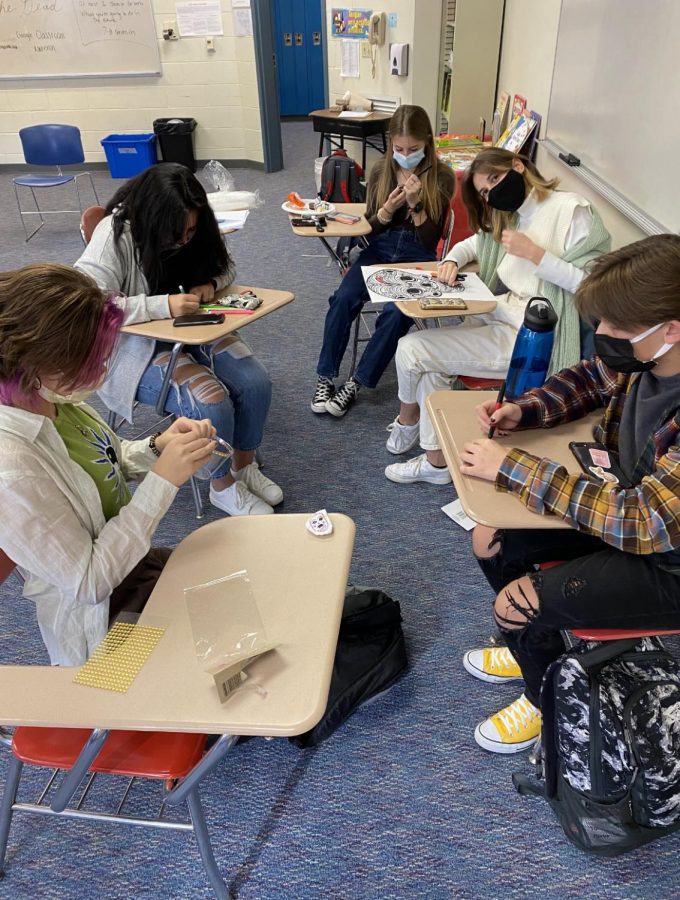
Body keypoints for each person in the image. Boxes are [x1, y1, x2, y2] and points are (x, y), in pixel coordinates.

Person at [457, 235, 680, 753]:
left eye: (615, 327)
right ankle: (533, 643)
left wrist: (515, 468)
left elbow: (643, 521)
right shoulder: (647, 359)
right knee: (489, 537)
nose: (601, 335)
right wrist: (527, 409)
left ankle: (544, 701)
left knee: (517, 604)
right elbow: (589, 378)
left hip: (666, 561)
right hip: (628, 511)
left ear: (670, 329)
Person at [0, 264, 219, 666]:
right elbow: (89, 582)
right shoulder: (11, 470)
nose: (101, 372)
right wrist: (163, 481)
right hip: (102, 624)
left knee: (232, 594)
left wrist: (157, 446)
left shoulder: (52, 399)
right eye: (90, 361)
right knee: (228, 653)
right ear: (32, 366)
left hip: (133, 566)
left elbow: (103, 461)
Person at [384, 147, 611, 487]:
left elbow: (593, 289)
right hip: (502, 311)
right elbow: (476, 244)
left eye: (495, 180)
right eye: (486, 192)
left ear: (518, 165)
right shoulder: (512, 213)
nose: (493, 193)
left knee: (412, 350)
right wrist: (452, 260)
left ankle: (408, 423)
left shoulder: (572, 210)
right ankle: (436, 461)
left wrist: (536, 255)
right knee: (428, 362)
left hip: (534, 337)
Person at [75, 162, 281, 517]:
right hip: (134, 348)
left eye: (190, 230)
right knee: (211, 401)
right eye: (176, 233)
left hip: (192, 329)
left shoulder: (194, 222)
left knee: (255, 382)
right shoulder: (115, 233)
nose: (184, 239)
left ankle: (242, 466)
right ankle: (222, 487)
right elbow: (91, 302)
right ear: (153, 219)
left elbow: (226, 265)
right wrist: (162, 305)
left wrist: (211, 285)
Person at [312, 105, 455, 418]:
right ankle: (326, 376)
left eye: (414, 149)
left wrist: (416, 206)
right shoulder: (381, 169)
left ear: (428, 142)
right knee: (343, 298)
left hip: (418, 256)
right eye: (399, 148)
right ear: (391, 144)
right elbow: (367, 229)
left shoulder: (442, 176)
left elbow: (431, 241)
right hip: (380, 249)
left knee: (396, 312)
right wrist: (386, 212)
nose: (405, 155)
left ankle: (357, 381)